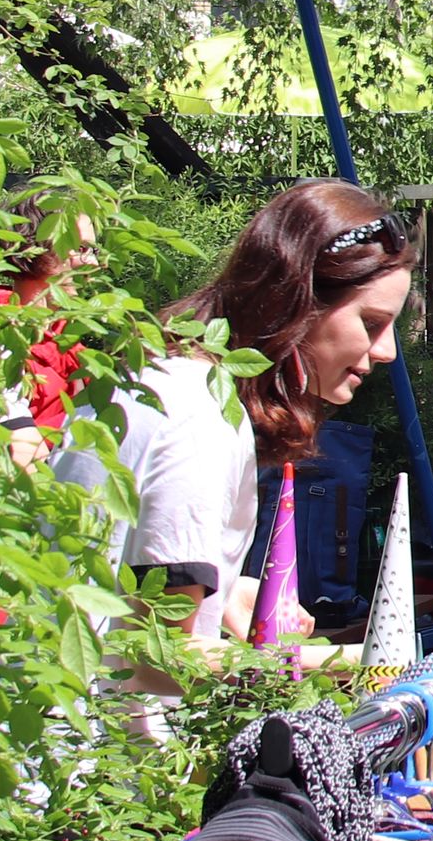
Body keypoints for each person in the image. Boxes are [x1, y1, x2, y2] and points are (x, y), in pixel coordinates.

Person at [68, 179, 411, 651]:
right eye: (371, 323)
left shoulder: (167, 378)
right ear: (298, 302)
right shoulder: (198, 422)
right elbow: (157, 657)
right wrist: (355, 664)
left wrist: (225, 592)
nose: (388, 350)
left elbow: (122, 584)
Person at [0, 182, 98, 469]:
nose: (94, 263)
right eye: (80, 248)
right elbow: (19, 460)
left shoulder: (73, 352)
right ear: (36, 247)